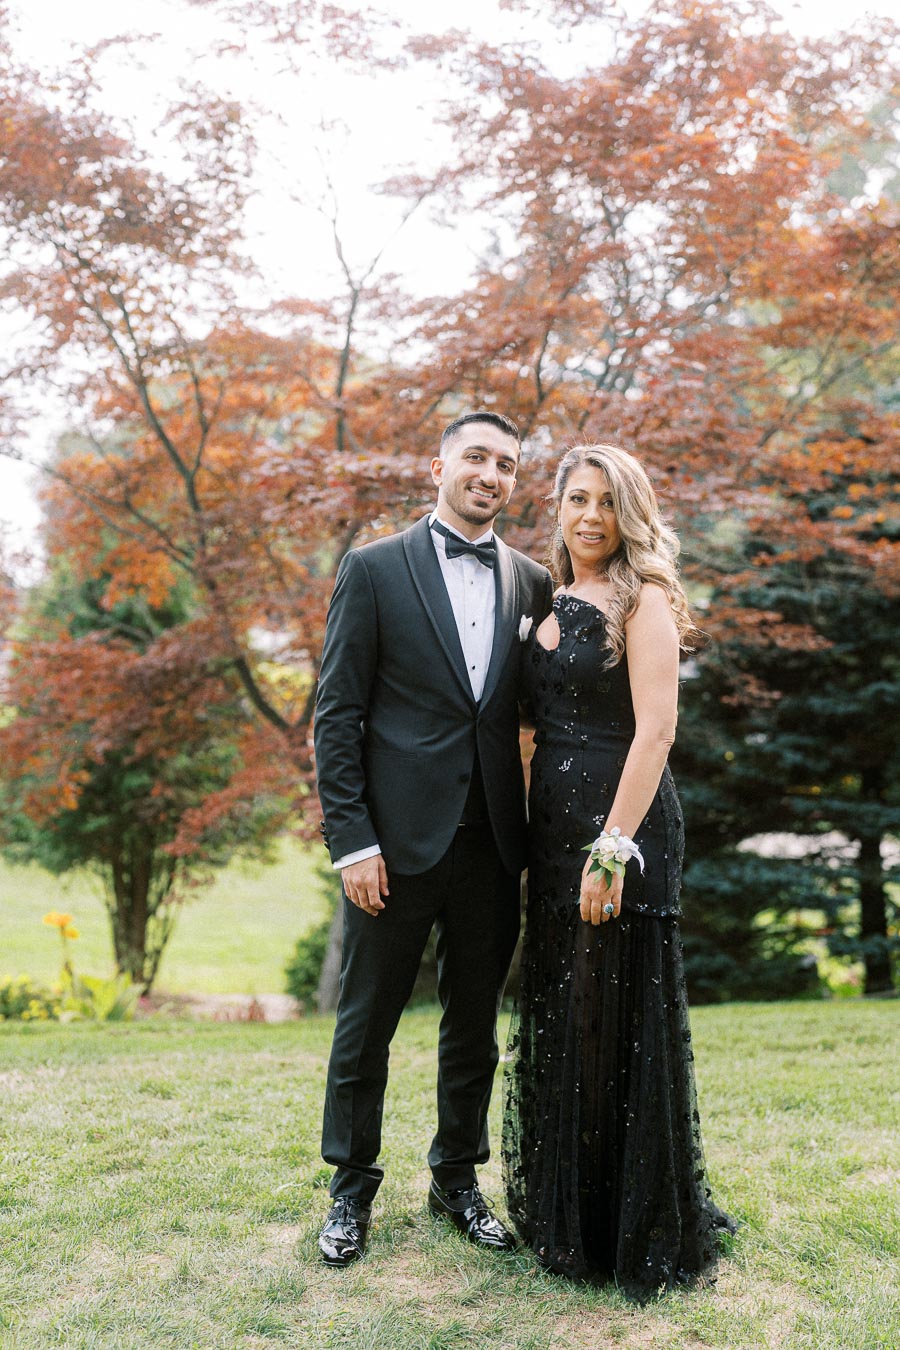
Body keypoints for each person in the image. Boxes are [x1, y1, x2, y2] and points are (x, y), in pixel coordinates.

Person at [314, 410, 554, 1267]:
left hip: (493, 838)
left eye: (508, 465)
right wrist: (353, 841)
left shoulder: (531, 581)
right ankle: (350, 1190)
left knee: (473, 1026)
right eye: (477, 458)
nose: (491, 474)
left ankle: (458, 1178)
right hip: (391, 845)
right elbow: (337, 714)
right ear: (439, 466)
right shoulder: (374, 568)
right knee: (366, 1020)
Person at [503, 444, 735, 1294]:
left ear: (628, 511)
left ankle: (626, 1227)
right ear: (557, 507)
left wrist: (612, 849)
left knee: (616, 1015)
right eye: (576, 499)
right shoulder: (544, 595)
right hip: (551, 833)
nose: (590, 516)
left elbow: (657, 733)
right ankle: (570, 1208)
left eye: (606, 501)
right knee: (568, 1014)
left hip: (622, 836)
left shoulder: (646, 600)